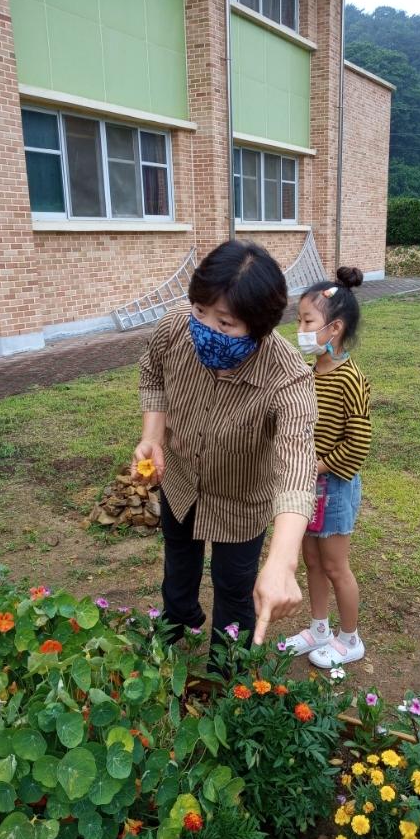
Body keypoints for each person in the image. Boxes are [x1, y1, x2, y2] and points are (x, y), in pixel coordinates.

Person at [131, 240, 317, 666]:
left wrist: (283, 562)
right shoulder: (176, 328)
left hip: (240, 501)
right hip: (178, 480)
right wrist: (154, 434)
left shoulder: (288, 379)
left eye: (226, 322)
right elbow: (152, 370)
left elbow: (296, 466)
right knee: (178, 562)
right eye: (200, 311)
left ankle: (226, 668)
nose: (205, 328)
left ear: (260, 325)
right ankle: (176, 622)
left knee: (235, 588)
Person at [284, 267, 371, 668]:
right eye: (298, 319)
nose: (299, 328)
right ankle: (319, 629)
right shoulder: (305, 374)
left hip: (333, 487)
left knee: (336, 566)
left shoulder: (351, 380)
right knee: (312, 562)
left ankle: (349, 639)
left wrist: (319, 464)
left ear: (333, 328)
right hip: (303, 485)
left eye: (307, 321)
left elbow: (358, 443)